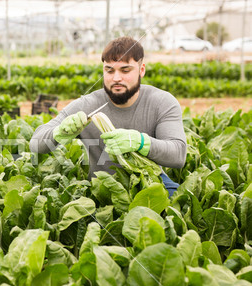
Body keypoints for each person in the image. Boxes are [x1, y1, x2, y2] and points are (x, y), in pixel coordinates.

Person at [29, 36, 186, 197]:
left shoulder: (162, 102)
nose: (116, 78)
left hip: (150, 185)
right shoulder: (86, 105)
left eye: (125, 70)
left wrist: (140, 142)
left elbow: (178, 155)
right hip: (102, 191)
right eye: (109, 70)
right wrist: (58, 133)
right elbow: (35, 144)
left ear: (141, 70)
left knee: (177, 200)